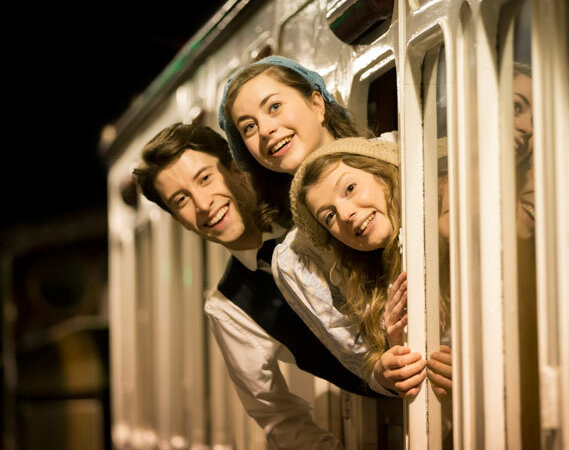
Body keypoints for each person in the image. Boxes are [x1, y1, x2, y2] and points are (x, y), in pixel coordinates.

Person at [132, 122, 381, 450]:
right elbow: (277, 415)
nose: (204, 204)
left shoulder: (318, 208)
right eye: (181, 200)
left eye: (205, 178)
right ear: (180, 221)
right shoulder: (228, 307)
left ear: (236, 166)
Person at [218, 56, 424, 397]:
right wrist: (384, 372)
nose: (266, 129)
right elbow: (362, 361)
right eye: (249, 127)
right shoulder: (292, 258)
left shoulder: (404, 151)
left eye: (274, 106)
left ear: (317, 103)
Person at [288, 137, 451, 400]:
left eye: (350, 188)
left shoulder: (448, 214)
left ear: (383, 173)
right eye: (329, 216)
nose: (344, 214)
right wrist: (400, 348)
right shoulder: (383, 285)